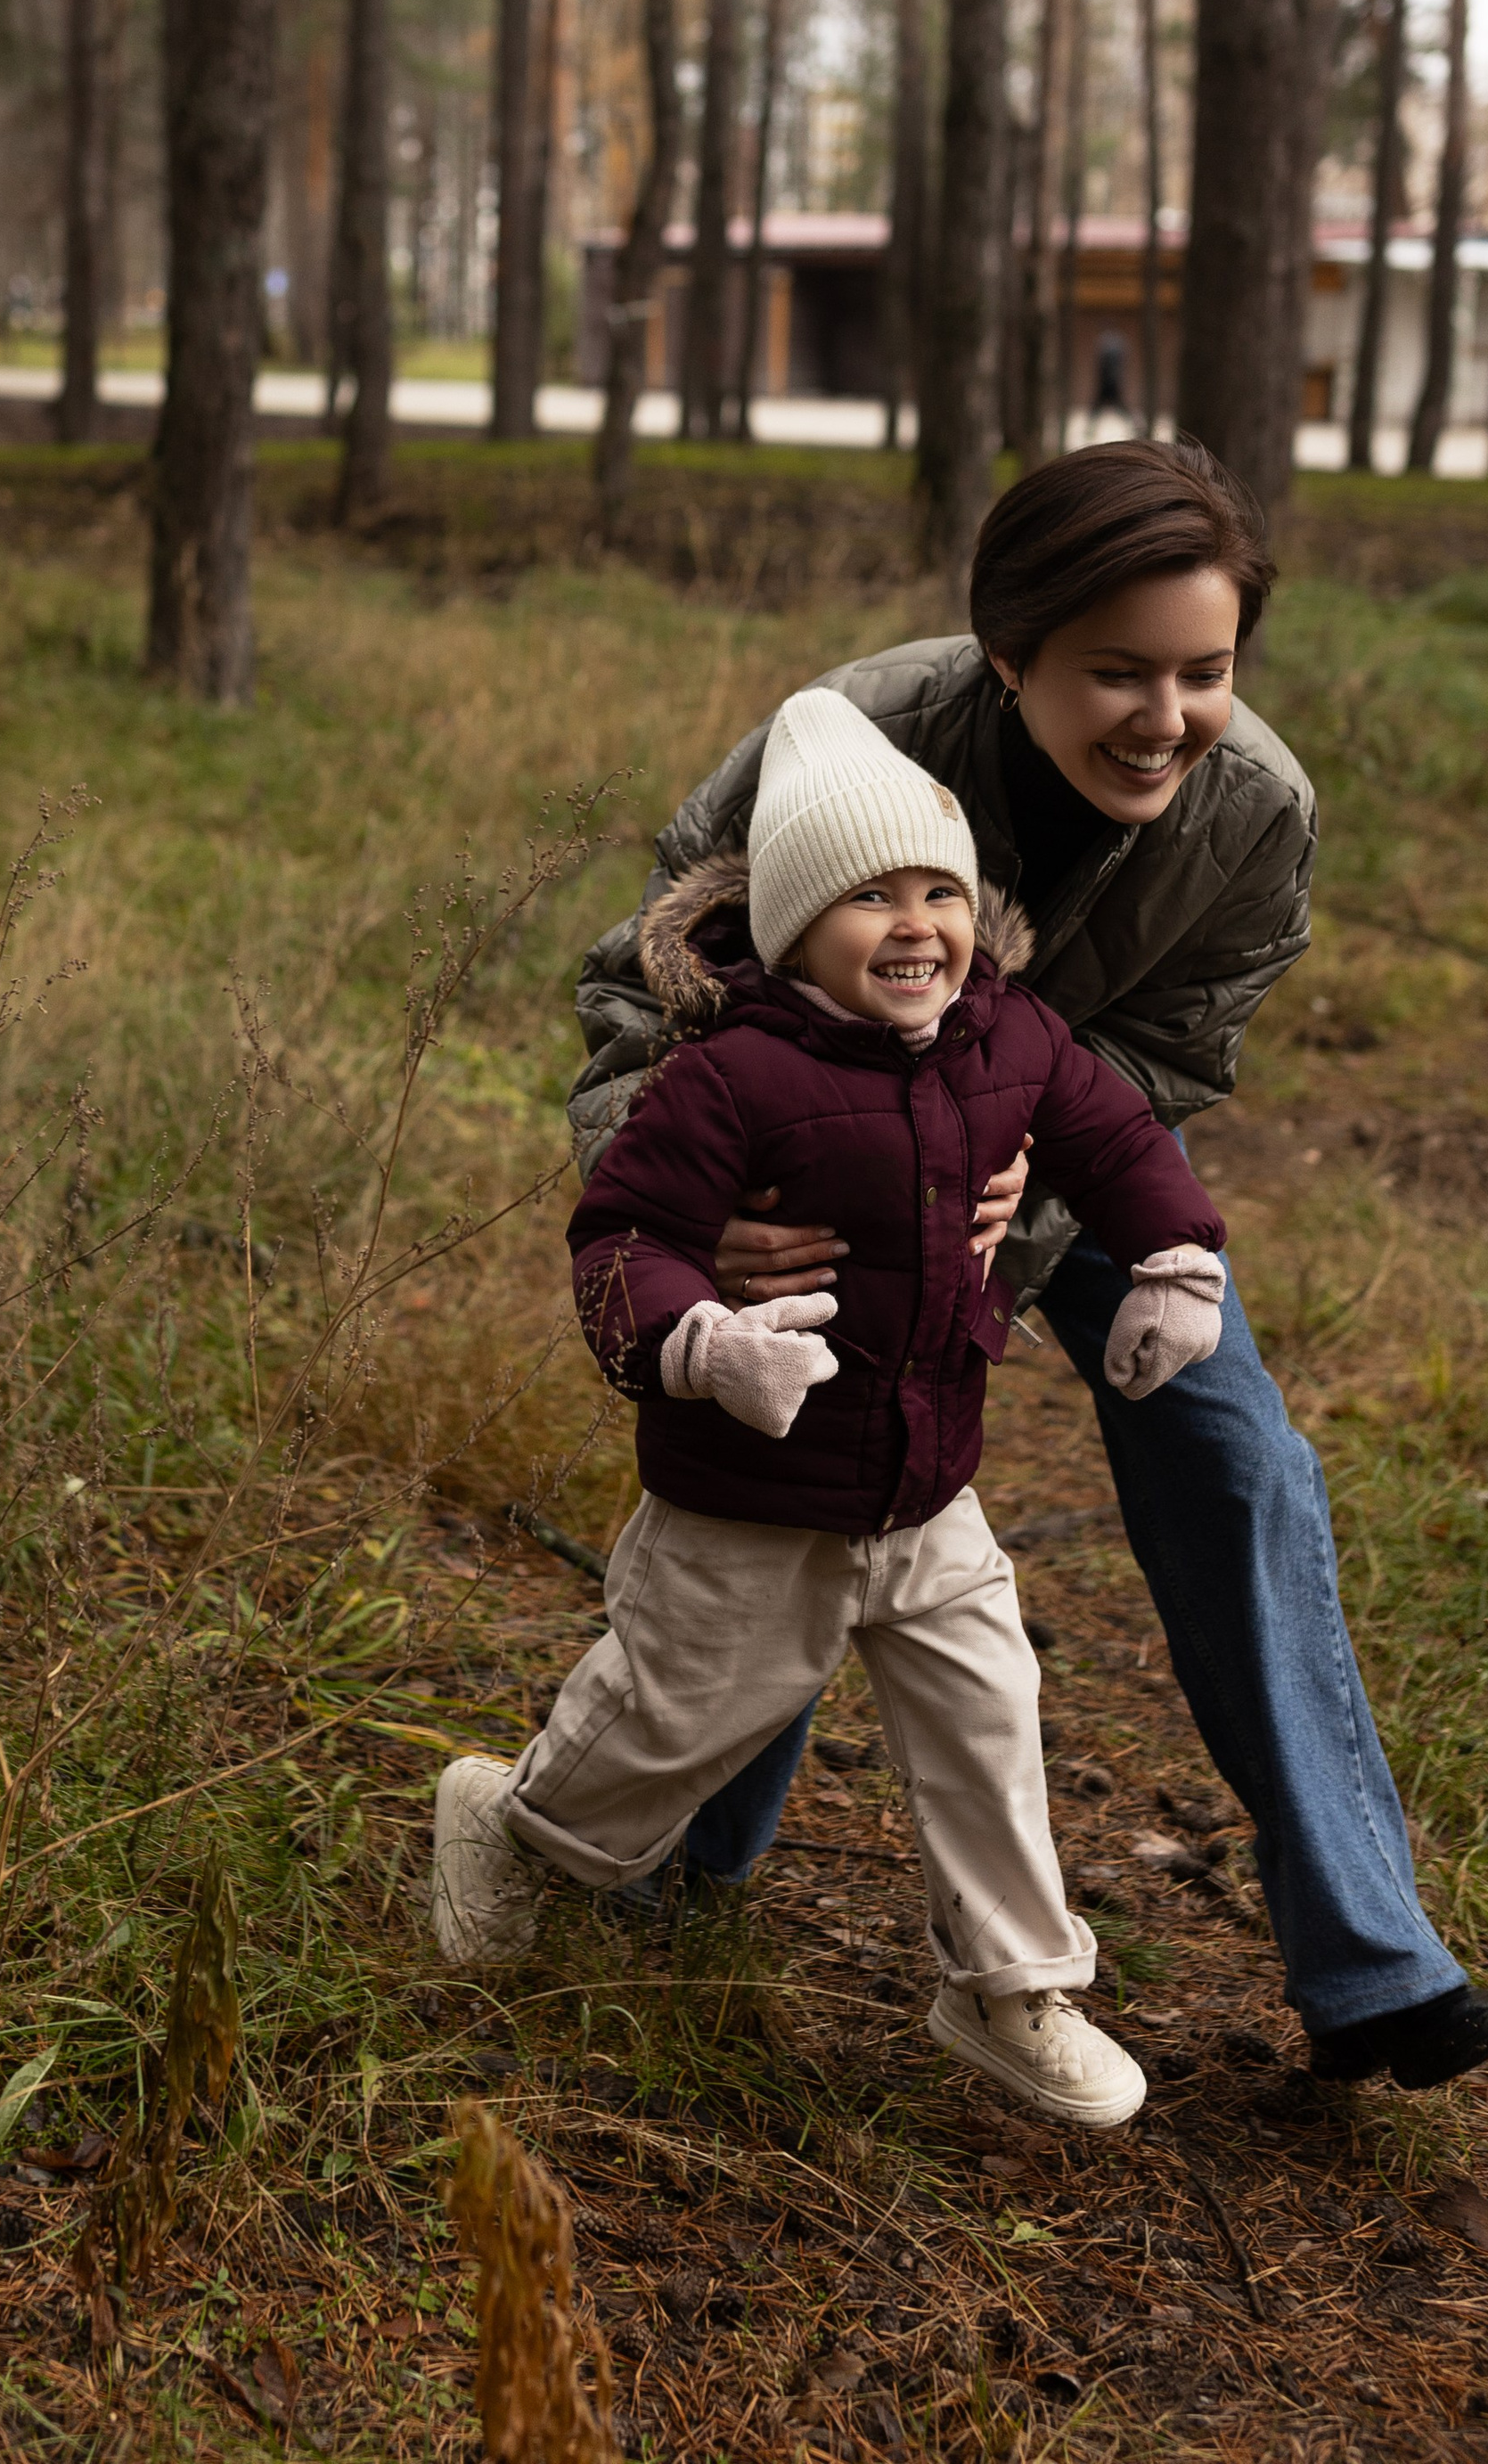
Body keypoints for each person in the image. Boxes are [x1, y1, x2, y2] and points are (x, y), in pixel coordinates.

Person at [562, 440, 1488, 2094]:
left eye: (1206, 672)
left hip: (1069, 1176)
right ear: (1009, 658)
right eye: (1118, 673)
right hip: (816, 1166)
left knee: (1239, 1455)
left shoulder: (1257, 816)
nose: (1167, 716)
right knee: (816, 1467)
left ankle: (1376, 1965)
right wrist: (700, 1208)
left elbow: (1173, 1056)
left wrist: (1020, 1209)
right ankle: (675, 1873)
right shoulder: (838, 747)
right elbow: (641, 995)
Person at [429, 687, 1234, 2128]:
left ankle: (1011, 1987)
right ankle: (520, 1826)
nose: (918, 922)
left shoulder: (1015, 1036)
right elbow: (621, 1243)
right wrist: (701, 1346)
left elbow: (1115, 1135)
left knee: (993, 1719)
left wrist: (1178, 1256)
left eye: (941, 890)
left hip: (931, 1489)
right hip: (749, 1503)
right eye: (870, 897)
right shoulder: (729, 1075)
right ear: (794, 927)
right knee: (667, 1725)